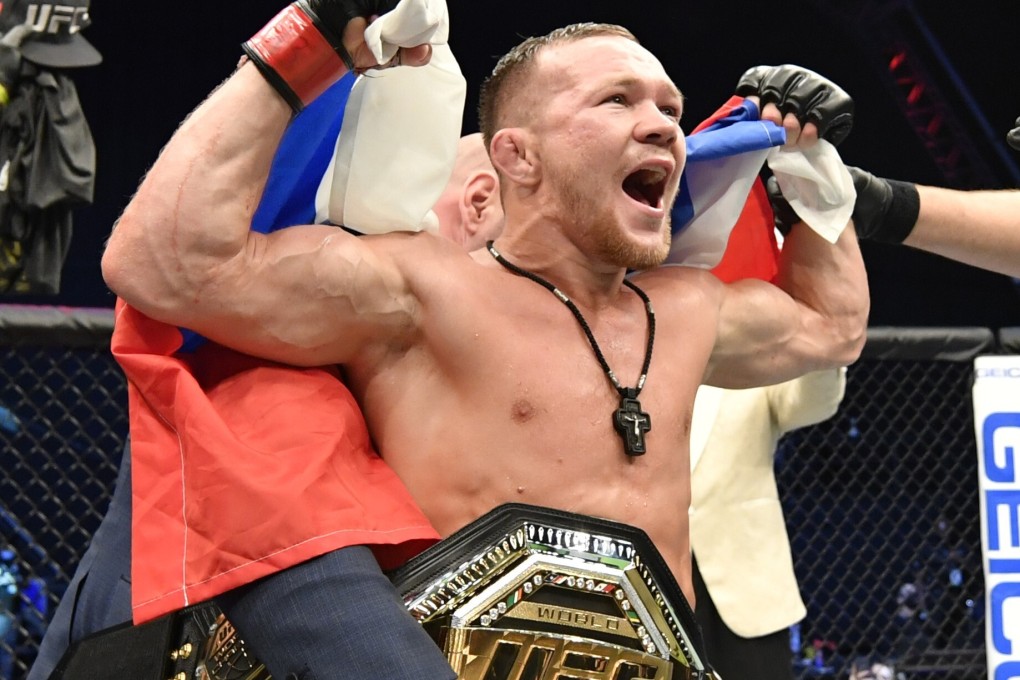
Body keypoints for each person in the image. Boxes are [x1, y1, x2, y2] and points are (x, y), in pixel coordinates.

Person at [100, 7, 868, 679]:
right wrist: (303, 39)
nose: (663, 122)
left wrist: (810, 181)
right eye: (617, 99)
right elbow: (162, 266)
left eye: (670, 106)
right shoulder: (422, 293)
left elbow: (832, 328)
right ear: (516, 156)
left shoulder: (690, 310)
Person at [689, 368, 846, 680]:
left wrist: (827, 347)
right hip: (648, 575)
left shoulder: (753, 358)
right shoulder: (634, 357)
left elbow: (813, 402)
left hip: (745, 585)